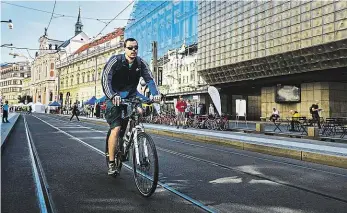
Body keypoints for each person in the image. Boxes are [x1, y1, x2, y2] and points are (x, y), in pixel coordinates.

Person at [101, 37, 161, 175]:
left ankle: (133, 137)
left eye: (135, 47)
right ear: (124, 48)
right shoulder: (115, 61)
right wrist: (112, 95)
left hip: (132, 96)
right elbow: (105, 79)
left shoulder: (140, 63)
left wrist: (155, 94)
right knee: (116, 129)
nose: (133, 50)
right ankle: (111, 163)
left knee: (139, 112)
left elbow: (150, 79)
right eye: (130, 48)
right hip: (114, 97)